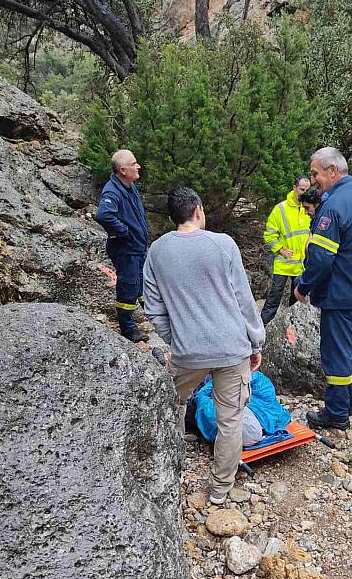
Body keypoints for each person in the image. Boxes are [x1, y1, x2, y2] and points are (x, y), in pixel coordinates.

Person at [143, 186, 265, 505]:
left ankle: (165, 472)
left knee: (171, 404)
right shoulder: (223, 244)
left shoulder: (157, 251)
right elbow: (243, 300)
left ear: (172, 218)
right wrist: (256, 343)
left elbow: (153, 307)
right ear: (198, 210)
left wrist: (175, 338)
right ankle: (219, 491)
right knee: (230, 420)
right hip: (232, 348)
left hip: (188, 352)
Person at [294, 147, 352, 430]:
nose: (313, 181)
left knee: (337, 354)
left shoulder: (333, 205)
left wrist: (304, 286)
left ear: (332, 170)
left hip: (341, 293)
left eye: (315, 173)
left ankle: (336, 413)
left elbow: (322, 257)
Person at [96, 149, 149, 343]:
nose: (138, 166)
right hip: (126, 249)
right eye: (134, 163)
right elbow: (103, 215)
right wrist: (124, 232)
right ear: (123, 170)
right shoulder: (112, 190)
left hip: (137, 248)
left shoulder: (129, 186)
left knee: (141, 284)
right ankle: (128, 330)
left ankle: (151, 316)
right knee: (128, 287)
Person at [261, 175, 312, 325]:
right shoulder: (281, 209)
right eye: (302, 189)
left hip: (301, 264)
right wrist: (280, 250)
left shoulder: (309, 208)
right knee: (273, 300)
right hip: (283, 263)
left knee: (297, 301)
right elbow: (269, 234)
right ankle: (261, 330)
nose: (305, 192)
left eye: (308, 190)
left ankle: (290, 330)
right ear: (294, 188)